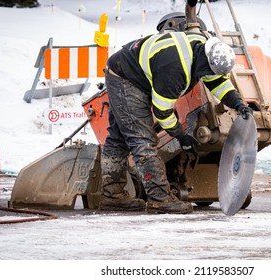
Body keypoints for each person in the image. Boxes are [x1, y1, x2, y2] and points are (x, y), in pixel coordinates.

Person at [99, 28, 253, 214]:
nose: (209, 74)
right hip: (126, 77)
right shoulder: (174, 70)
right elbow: (162, 112)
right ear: (207, 61)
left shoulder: (206, 48)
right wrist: (181, 135)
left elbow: (217, 81)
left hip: (132, 67)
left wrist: (238, 103)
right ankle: (160, 199)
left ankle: (112, 195)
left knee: (119, 137)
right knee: (142, 139)